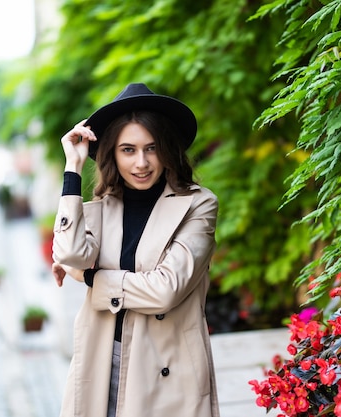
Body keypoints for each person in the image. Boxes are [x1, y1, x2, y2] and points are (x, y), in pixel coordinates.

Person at [51, 83, 220, 417]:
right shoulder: (100, 209)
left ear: (167, 149)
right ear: (113, 153)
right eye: (128, 149)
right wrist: (72, 168)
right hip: (103, 362)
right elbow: (69, 254)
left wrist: (91, 278)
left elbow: (166, 290)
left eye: (151, 148)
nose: (141, 162)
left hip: (167, 370)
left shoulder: (198, 205)